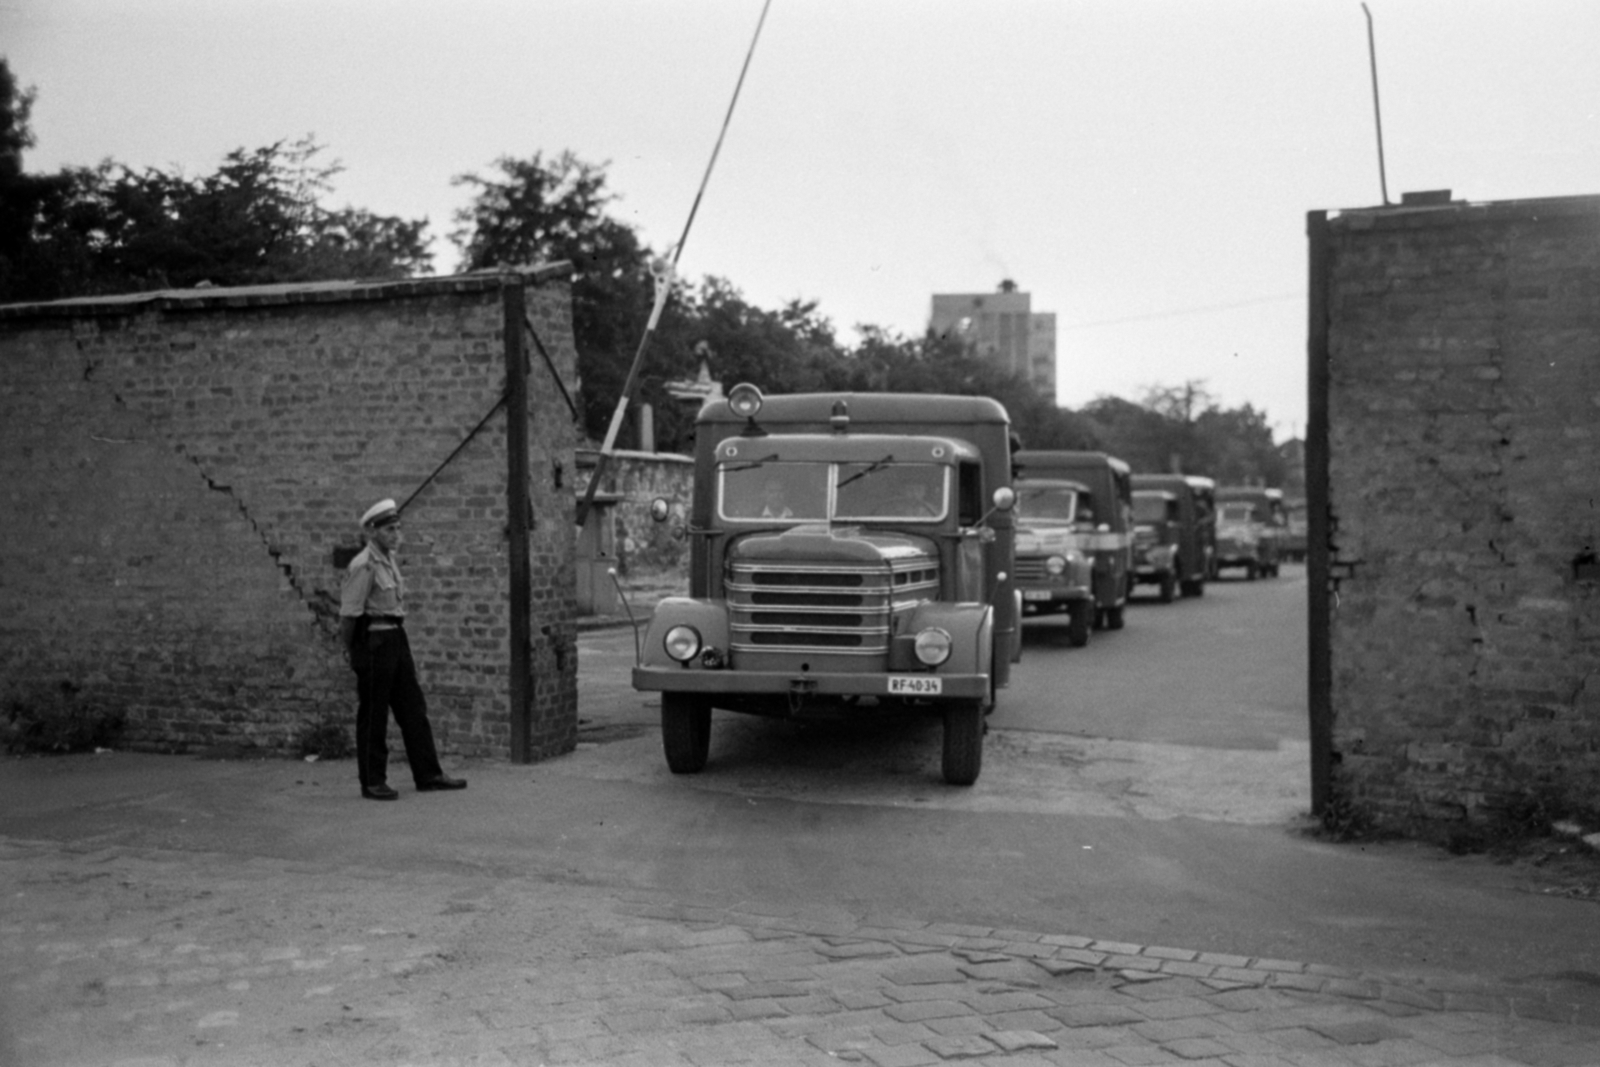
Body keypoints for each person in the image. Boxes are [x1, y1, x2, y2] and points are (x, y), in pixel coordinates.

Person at [339, 498, 467, 801]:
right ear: (373, 531)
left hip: (396, 638)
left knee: (413, 709)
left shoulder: (388, 559)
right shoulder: (364, 565)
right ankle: (372, 781)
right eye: (389, 530)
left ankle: (429, 774)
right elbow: (348, 616)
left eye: (398, 529)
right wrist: (353, 652)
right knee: (374, 714)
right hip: (374, 641)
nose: (396, 535)